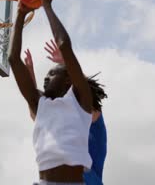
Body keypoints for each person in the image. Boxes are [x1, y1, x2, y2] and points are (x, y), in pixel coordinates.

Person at [8, 0, 100, 185]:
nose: (46, 77)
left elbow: (64, 45)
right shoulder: (39, 104)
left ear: (68, 80)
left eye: (52, 73)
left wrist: (47, 5)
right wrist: (20, 16)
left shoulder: (81, 102)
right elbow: (13, 59)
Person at [24, 40, 108, 185]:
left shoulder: (87, 110)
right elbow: (35, 111)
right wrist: (29, 76)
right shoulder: (56, 117)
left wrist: (67, 63)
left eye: (52, 74)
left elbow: (85, 89)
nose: (46, 78)